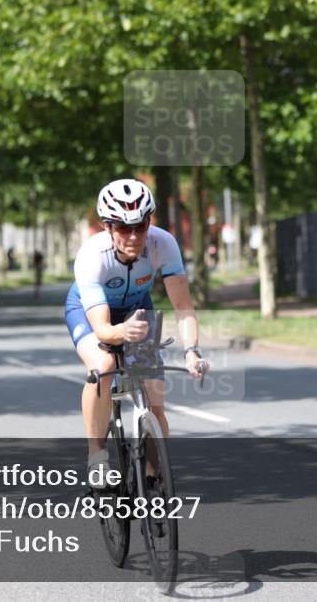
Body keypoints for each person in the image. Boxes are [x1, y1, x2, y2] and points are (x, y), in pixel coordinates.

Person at [65, 178, 209, 487]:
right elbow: (103, 328)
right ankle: (97, 456)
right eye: (122, 227)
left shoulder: (163, 244)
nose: (133, 236)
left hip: (136, 311)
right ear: (107, 226)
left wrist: (191, 351)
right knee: (103, 368)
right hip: (91, 312)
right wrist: (120, 333)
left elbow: (183, 307)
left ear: (149, 222)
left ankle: (152, 479)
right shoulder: (92, 256)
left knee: (156, 402)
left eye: (140, 226)